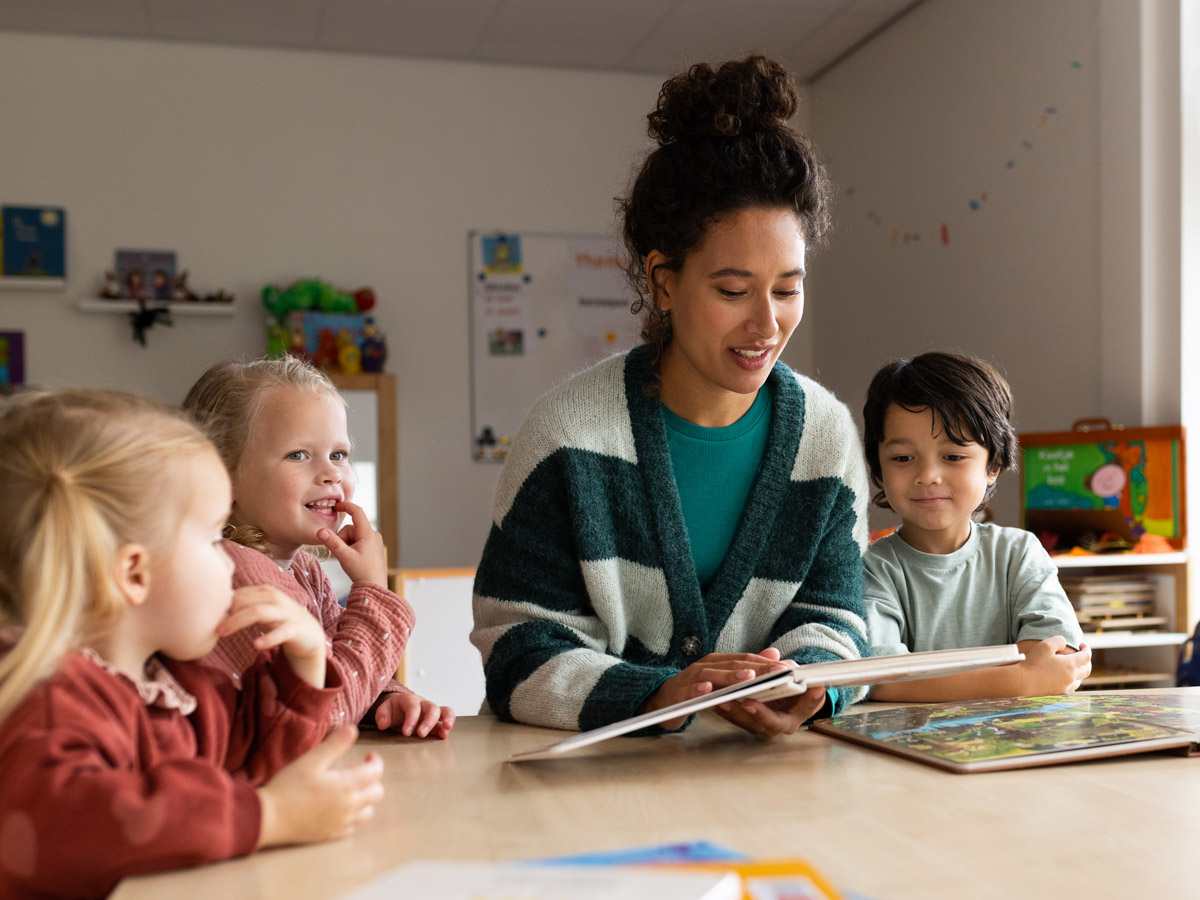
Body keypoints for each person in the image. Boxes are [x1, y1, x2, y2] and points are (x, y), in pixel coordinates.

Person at [471, 55, 871, 739]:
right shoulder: (569, 438)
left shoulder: (826, 438)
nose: (767, 323)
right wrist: (654, 695)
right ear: (662, 282)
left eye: (787, 288)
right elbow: (517, 650)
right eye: (733, 290)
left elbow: (839, 622)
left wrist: (807, 683)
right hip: (590, 780)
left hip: (765, 777)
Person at [0, 390, 384, 900]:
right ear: (134, 574)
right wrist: (269, 816)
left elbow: (251, 767)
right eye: (212, 540)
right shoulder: (49, 704)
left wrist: (304, 666)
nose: (230, 561)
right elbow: (75, 826)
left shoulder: (173, 684)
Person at [183, 356, 454, 739]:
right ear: (222, 476)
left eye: (338, 454)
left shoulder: (303, 569)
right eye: (298, 455)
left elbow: (335, 664)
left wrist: (384, 699)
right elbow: (327, 710)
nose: (331, 474)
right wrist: (373, 590)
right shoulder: (236, 573)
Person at [861, 350, 1092, 701]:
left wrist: (921, 680)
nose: (928, 475)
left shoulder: (1019, 554)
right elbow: (877, 680)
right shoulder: (872, 569)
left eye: (953, 456)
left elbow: (1056, 655)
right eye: (902, 458)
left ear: (993, 466)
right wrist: (1020, 681)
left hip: (1017, 734)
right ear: (878, 468)